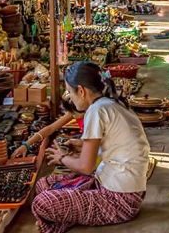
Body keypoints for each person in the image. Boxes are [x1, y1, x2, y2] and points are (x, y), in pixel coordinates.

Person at [32, 62, 150, 233]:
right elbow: (114, 145)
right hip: (112, 185)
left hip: (120, 200)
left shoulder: (96, 110)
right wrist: (81, 145)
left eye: (70, 92)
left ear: (81, 91)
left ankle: (58, 223)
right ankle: (64, 220)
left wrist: (62, 158)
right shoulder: (111, 103)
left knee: (42, 203)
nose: (69, 97)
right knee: (44, 184)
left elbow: (86, 167)